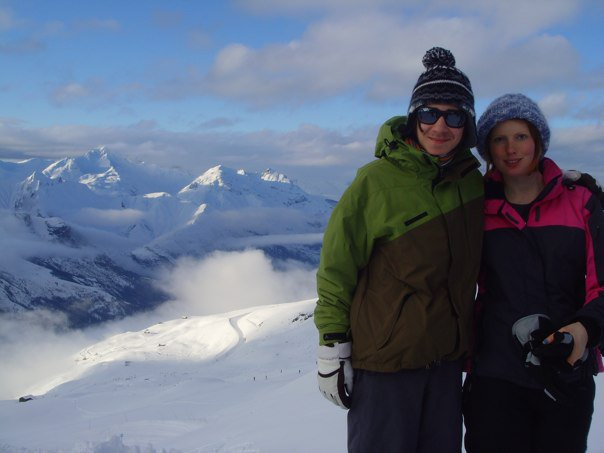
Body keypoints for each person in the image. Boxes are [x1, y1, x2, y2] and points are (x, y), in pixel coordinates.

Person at [314, 47, 484, 452]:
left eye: (454, 116)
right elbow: (337, 267)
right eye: (429, 113)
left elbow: (521, 196)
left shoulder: (472, 183)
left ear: (467, 125)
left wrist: (562, 182)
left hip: (445, 365)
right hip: (386, 365)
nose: (440, 126)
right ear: (413, 117)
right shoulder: (375, 182)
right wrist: (332, 346)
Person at [463, 93, 604, 453]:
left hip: (565, 371)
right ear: (488, 149)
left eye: (521, 136)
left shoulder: (581, 202)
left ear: (539, 140)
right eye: (499, 139)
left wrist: (585, 329)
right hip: (495, 376)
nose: (511, 149)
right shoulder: (475, 208)